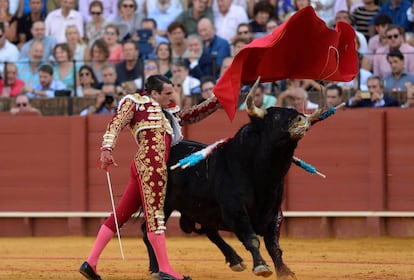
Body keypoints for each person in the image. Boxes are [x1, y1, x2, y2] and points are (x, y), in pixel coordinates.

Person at [80, 74, 220, 280]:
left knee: (120, 214)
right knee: (155, 216)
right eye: (167, 93)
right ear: (153, 93)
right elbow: (116, 122)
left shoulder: (168, 113)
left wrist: (217, 100)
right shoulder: (134, 102)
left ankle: (90, 263)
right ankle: (165, 270)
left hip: (142, 165)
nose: (171, 97)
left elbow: (193, 114)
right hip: (152, 165)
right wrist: (107, 148)